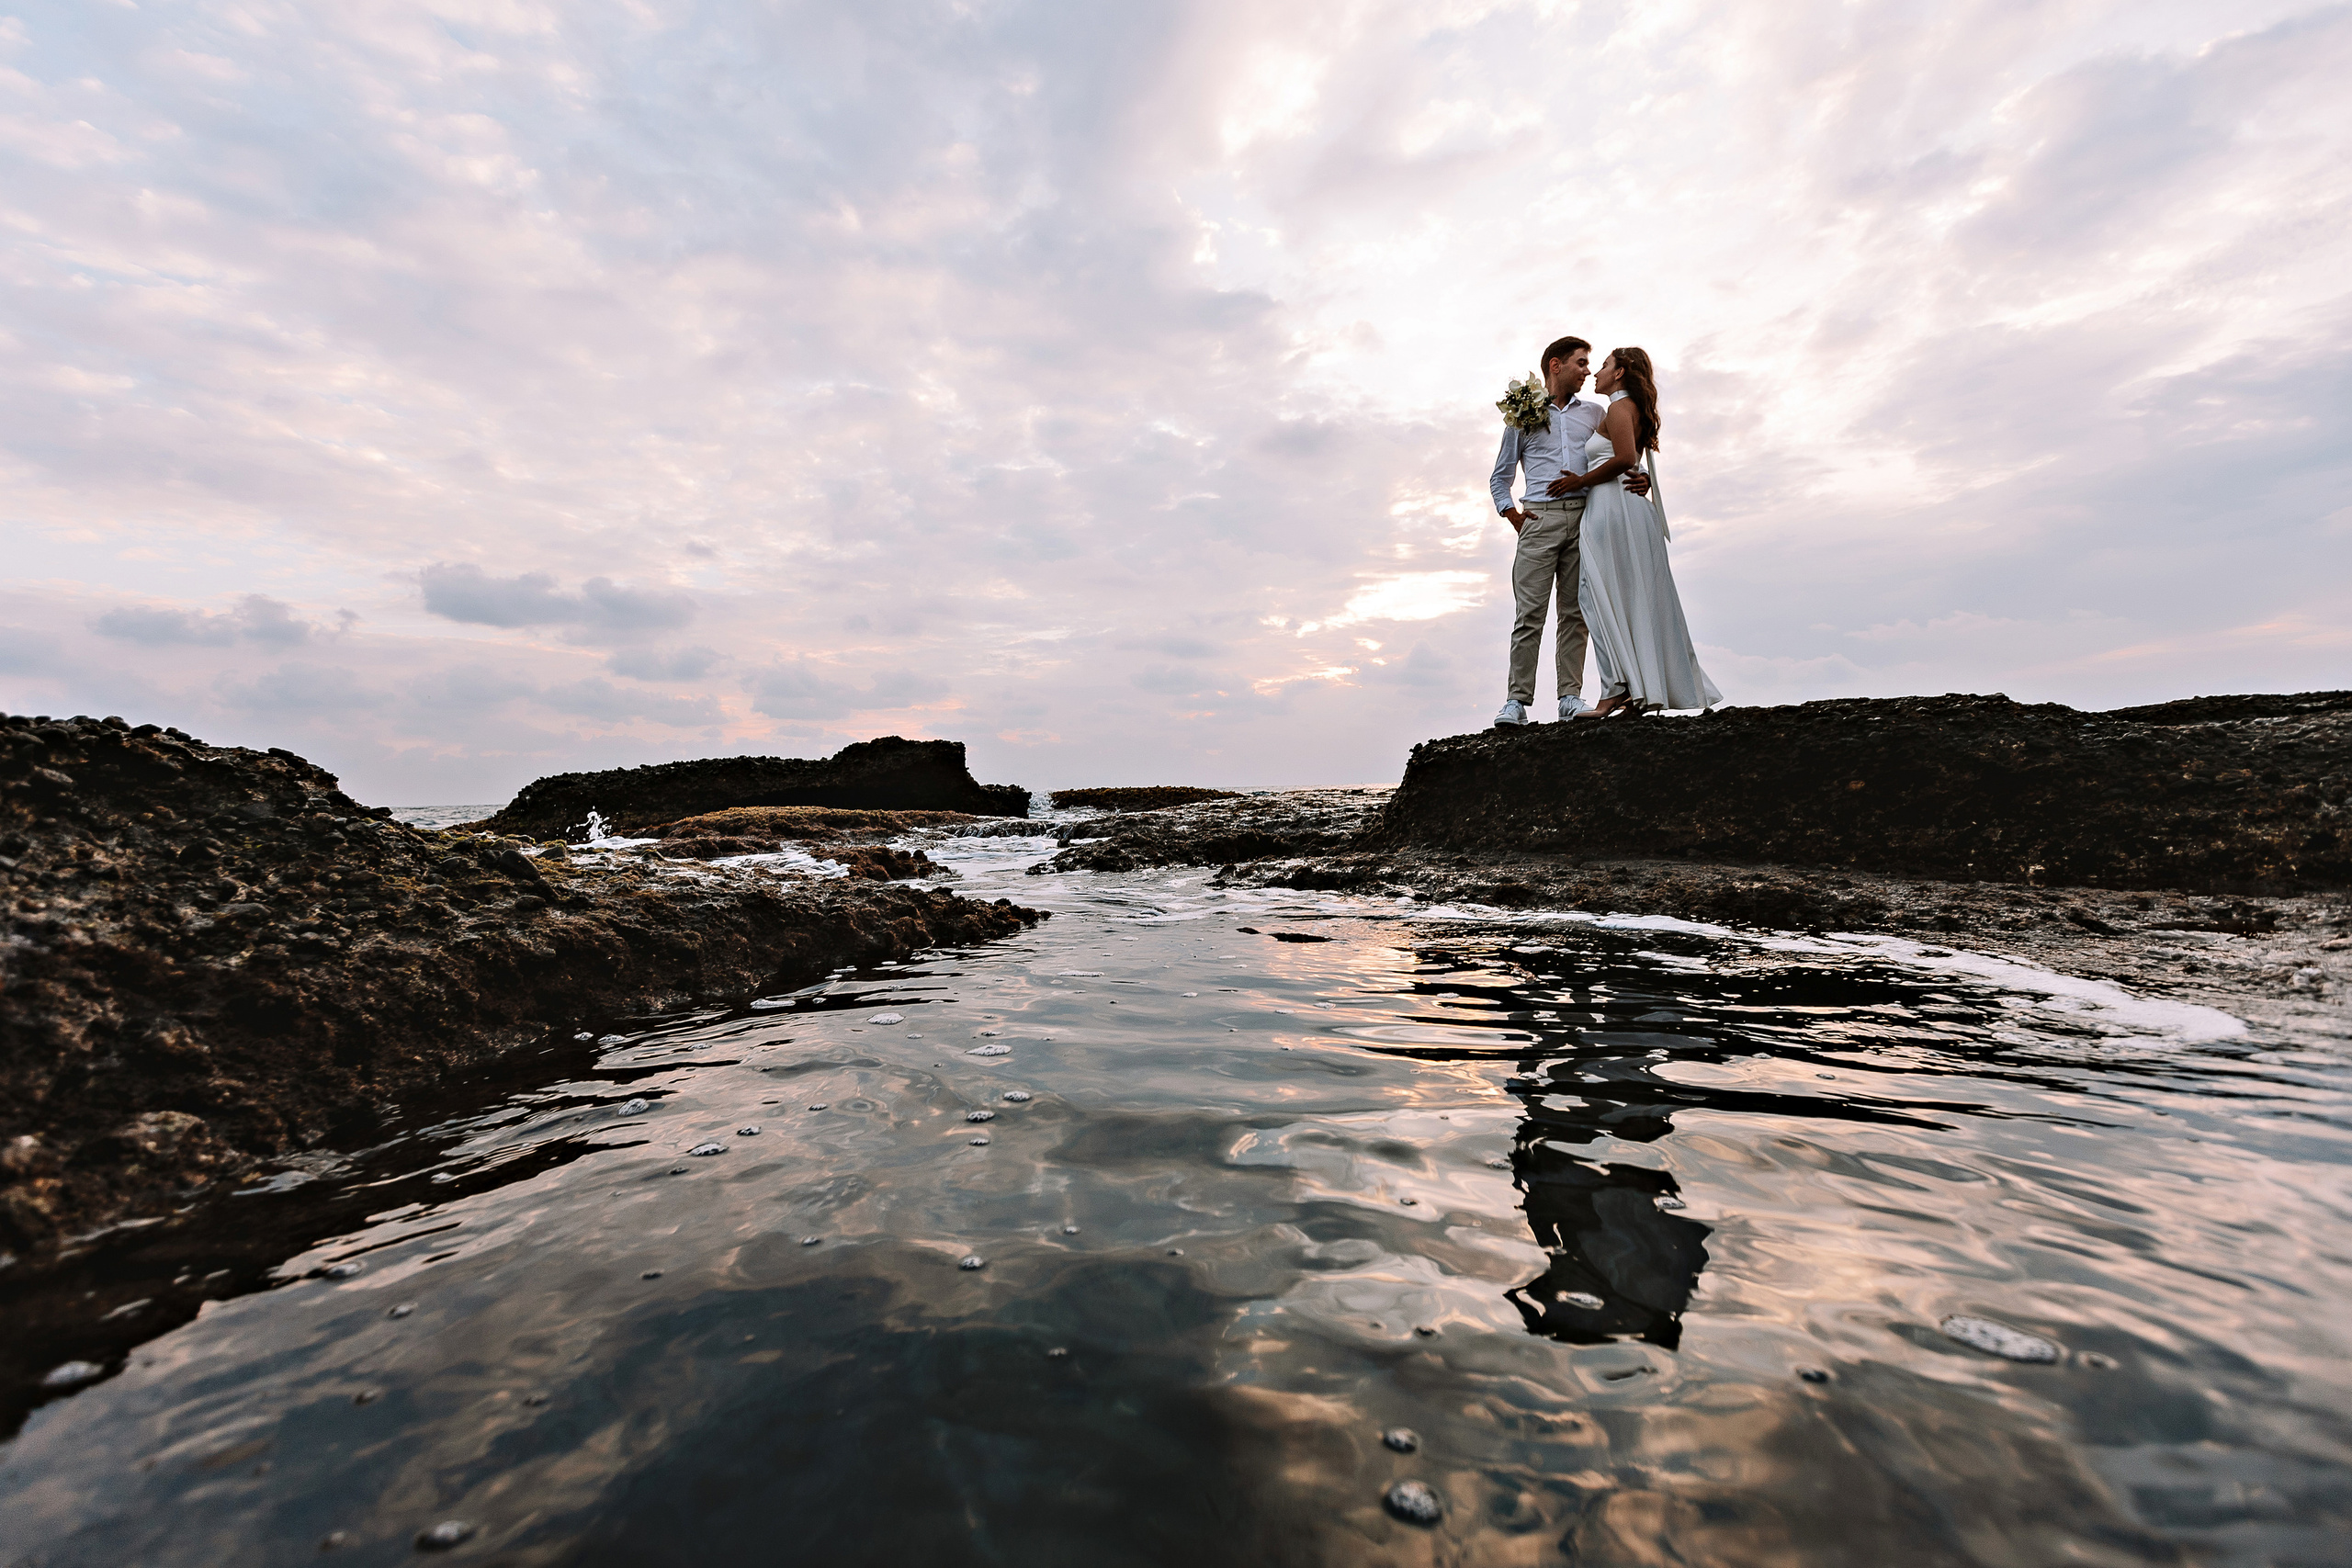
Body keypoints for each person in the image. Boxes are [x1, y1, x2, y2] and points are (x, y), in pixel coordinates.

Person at [1487, 337, 1648, 728]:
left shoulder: (1594, 412)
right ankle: (1516, 702)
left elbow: (1621, 449)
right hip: (1538, 521)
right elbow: (1500, 477)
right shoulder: (1522, 417)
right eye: (1580, 363)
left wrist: (1640, 476)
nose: (1587, 371)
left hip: (1583, 518)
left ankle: (1569, 698)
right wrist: (1514, 517)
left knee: (1575, 614)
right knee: (1529, 615)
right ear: (1555, 366)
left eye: (1590, 364)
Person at [1569, 347, 1721, 716]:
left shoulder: (1619, 408)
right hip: (1622, 506)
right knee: (1628, 597)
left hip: (1612, 508)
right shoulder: (1627, 408)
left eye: (1603, 366)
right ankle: (1635, 689)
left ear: (1620, 372)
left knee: (1595, 596)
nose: (1595, 373)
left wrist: (1579, 481)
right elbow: (1632, 461)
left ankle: (1615, 690)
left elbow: (1623, 459)